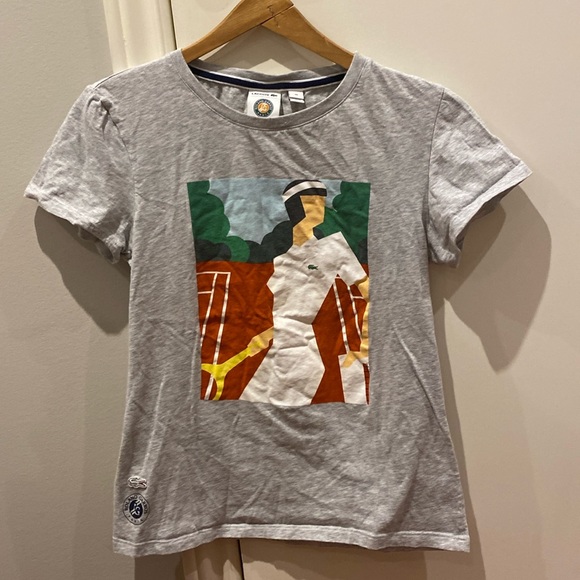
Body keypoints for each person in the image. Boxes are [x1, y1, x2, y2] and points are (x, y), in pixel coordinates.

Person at [202, 179, 369, 405]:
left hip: (301, 358)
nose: (321, 207)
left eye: (321, 201)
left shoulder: (333, 246)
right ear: (295, 208)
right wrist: (264, 336)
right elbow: (288, 312)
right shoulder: (282, 260)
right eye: (312, 202)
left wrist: (364, 347)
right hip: (280, 352)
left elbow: (367, 292)